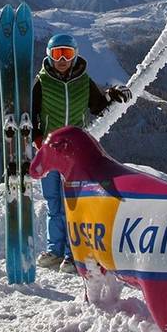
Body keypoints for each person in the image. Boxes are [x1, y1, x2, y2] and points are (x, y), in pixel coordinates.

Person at [31, 33, 131, 272]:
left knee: (73, 204)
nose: (62, 60)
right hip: (50, 152)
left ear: (75, 56)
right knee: (54, 202)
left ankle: (72, 255)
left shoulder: (83, 81)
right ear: (49, 56)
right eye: (57, 54)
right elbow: (33, 116)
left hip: (75, 154)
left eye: (67, 54)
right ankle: (55, 251)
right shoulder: (42, 82)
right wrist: (38, 143)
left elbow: (97, 106)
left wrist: (112, 94)